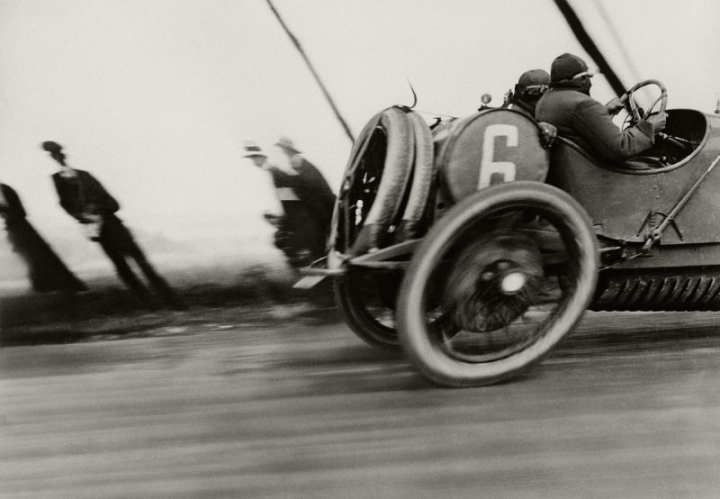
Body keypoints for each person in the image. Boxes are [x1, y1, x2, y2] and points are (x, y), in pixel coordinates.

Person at [40, 140, 185, 310]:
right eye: (54, 155)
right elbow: (65, 205)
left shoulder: (85, 176)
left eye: (59, 154)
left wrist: (98, 209)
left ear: (64, 155)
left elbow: (113, 203)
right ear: (52, 158)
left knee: (142, 264)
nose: (58, 158)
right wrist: (83, 216)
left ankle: (172, 302)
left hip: (115, 227)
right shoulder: (57, 180)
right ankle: (149, 303)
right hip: (99, 232)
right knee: (123, 268)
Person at [535, 53, 667, 163]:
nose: (590, 83)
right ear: (581, 79)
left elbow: (579, 127)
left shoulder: (546, 100)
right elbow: (622, 147)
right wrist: (649, 127)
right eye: (588, 78)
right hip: (597, 176)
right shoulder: (584, 105)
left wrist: (604, 111)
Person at [242, 140, 331, 268]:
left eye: (255, 158)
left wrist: (283, 222)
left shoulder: (280, 174)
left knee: (282, 239)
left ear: (262, 157)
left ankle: (316, 260)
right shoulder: (280, 173)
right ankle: (312, 260)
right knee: (282, 238)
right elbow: (291, 203)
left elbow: (294, 204)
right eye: (252, 158)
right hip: (312, 214)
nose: (254, 162)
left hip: (315, 216)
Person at [0, 182, 87, 293]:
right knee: (35, 255)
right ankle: (47, 285)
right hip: (17, 225)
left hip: (18, 226)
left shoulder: (3, 189)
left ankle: (51, 285)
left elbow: (11, 208)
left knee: (35, 255)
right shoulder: (4, 189)